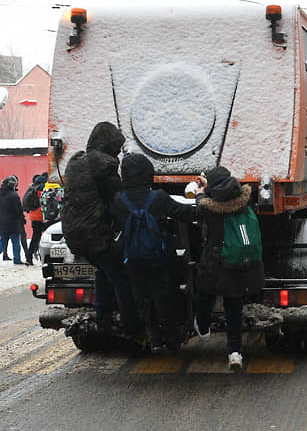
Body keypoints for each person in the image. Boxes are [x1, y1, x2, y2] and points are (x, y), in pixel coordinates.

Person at [109, 153, 198, 351]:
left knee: (142, 298)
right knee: (164, 296)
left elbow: (114, 226)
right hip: (159, 259)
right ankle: (172, 338)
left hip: (132, 259)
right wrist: (202, 201)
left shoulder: (118, 201)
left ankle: (152, 336)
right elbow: (187, 214)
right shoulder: (158, 198)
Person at [64, 121, 137, 331]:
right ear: (109, 144)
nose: (118, 152)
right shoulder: (104, 164)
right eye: (116, 146)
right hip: (94, 232)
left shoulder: (76, 161)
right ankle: (130, 322)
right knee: (121, 275)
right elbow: (117, 199)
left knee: (104, 271)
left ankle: (103, 315)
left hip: (73, 232)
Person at [194, 166, 264, 371]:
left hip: (216, 263)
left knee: (205, 295)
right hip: (238, 265)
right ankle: (235, 353)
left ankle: (204, 328)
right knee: (234, 308)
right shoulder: (246, 200)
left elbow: (199, 207)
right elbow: (223, 192)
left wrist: (200, 192)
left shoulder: (209, 207)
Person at [0, 176, 24, 266]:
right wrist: (21, 219)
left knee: (3, 239)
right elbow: (19, 210)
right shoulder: (14, 195)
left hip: (2, 221)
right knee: (15, 241)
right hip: (13, 222)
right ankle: (17, 259)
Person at [25, 174, 48, 265]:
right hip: (43, 216)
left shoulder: (31, 189)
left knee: (35, 237)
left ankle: (29, 256)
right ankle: (45, 257)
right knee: (46, 238)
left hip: (33, 217)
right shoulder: (44, 190)